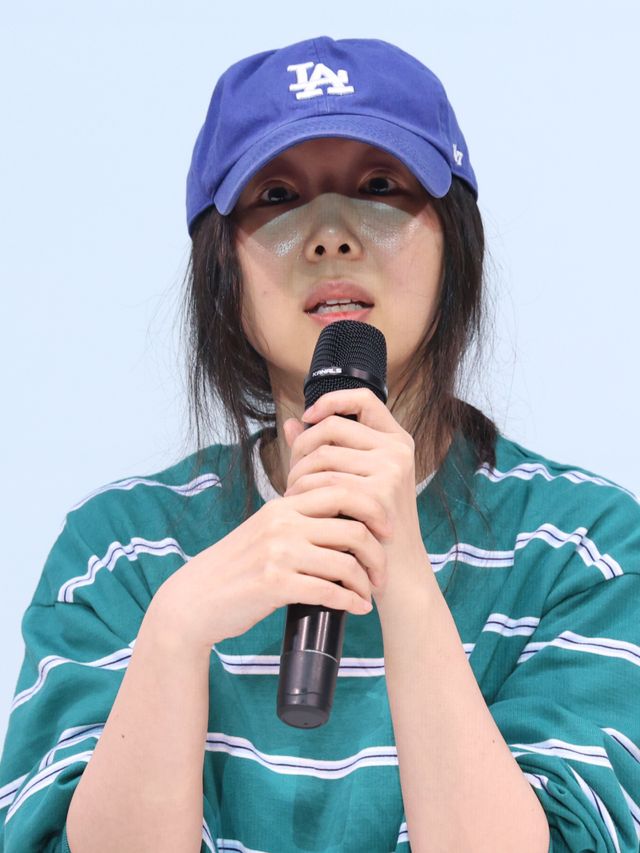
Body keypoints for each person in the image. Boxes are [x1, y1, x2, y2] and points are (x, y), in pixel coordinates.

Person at [0, 34, 638, 853]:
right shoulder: (115, 554)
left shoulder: (586, 548)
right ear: (221, 266)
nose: (330, 235)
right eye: (276, 195)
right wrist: (175, 634)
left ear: (455, 239)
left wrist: (404, 580)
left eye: (379, 186)